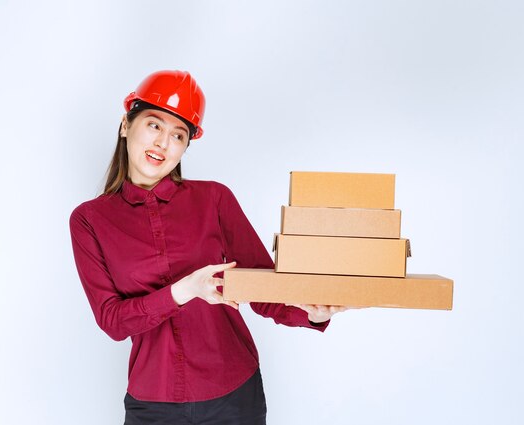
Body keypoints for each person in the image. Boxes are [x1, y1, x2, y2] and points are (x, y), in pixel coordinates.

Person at [69, 70, 348, 425]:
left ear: (186, 146)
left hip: (234, 393)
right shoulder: (90, 220)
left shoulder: (214, 199)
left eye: (178, 135)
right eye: (154, 125)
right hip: (153, 403)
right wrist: (185, 290)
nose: (162, 143)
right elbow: (113, 320)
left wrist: (313, 314)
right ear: (126, 125)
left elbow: (262, 286)